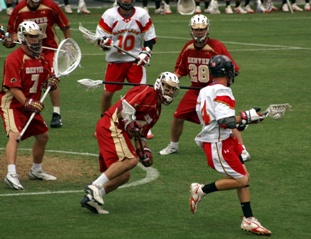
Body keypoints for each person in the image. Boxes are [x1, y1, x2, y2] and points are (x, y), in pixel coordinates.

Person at [189, 55, 271, 236]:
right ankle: (201, 190)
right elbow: (224, 120)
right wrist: (247, 116)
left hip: (224, 138)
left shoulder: (205, 90)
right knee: (241, 179)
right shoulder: (222, 91)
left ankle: (248, 219)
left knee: (244, 177)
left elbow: (221, 121)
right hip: (218, 143)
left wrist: (244, 121)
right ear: (227, 72)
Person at [80, 72, 180, 214]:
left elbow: (142, 135)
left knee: (124, 175)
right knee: (131, 160)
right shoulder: (147, 91)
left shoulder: (157, 112)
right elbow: (124, 108)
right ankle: (95, 186)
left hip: (117, 130)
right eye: (168, 88)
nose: (170, 92)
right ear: (159, 84)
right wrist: (130, 123)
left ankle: (91, 198)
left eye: (172, 90)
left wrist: (145, 151)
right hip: (112, 124)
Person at [159, 14, 251, 161]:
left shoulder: (216, 46)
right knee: (178, 116)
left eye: (201, 29)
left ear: (207, 29)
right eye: (196, 30)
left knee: (225, 119)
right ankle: (173, 145)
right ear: (191, 30)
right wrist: (172, 81)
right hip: (195, 90)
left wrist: (224, 82)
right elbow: (179, 70)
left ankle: (243, 150)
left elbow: (234, 68)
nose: (198, 32)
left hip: (213, 90)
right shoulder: (188, 47)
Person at [0, 21, 59, 190]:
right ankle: (11, 174)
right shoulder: (14, 59)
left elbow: (45, 81)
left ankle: (36, 170)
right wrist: (28, 102)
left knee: (43, 136)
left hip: (31, 105)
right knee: (15, 135)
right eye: (31, 37)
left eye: (37, 36)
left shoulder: (41, 58)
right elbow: (12, 86)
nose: (36, 40)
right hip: (12, 104)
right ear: (22, 37)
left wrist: (51, 82)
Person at [4, 0, 71, 128]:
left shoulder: (50, 6)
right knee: (28, 78)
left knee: (52, 78)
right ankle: (25, 106)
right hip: (28, 51)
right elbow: (12, 33)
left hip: (49, 49)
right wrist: (10, 41)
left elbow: (64, 26)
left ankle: (56, 113)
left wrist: (69, 44)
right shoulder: (19, 9)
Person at [95, 0, 156, 139]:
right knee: (108, 93)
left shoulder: (142, 14)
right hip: (114, 61)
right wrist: (105, 43)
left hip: (135, 60)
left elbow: (150, 39)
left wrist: (146, 53)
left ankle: (142, 125)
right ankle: (103, 124)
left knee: (141, 95)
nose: (126, 1)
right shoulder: (109, 15)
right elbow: (100, 40)